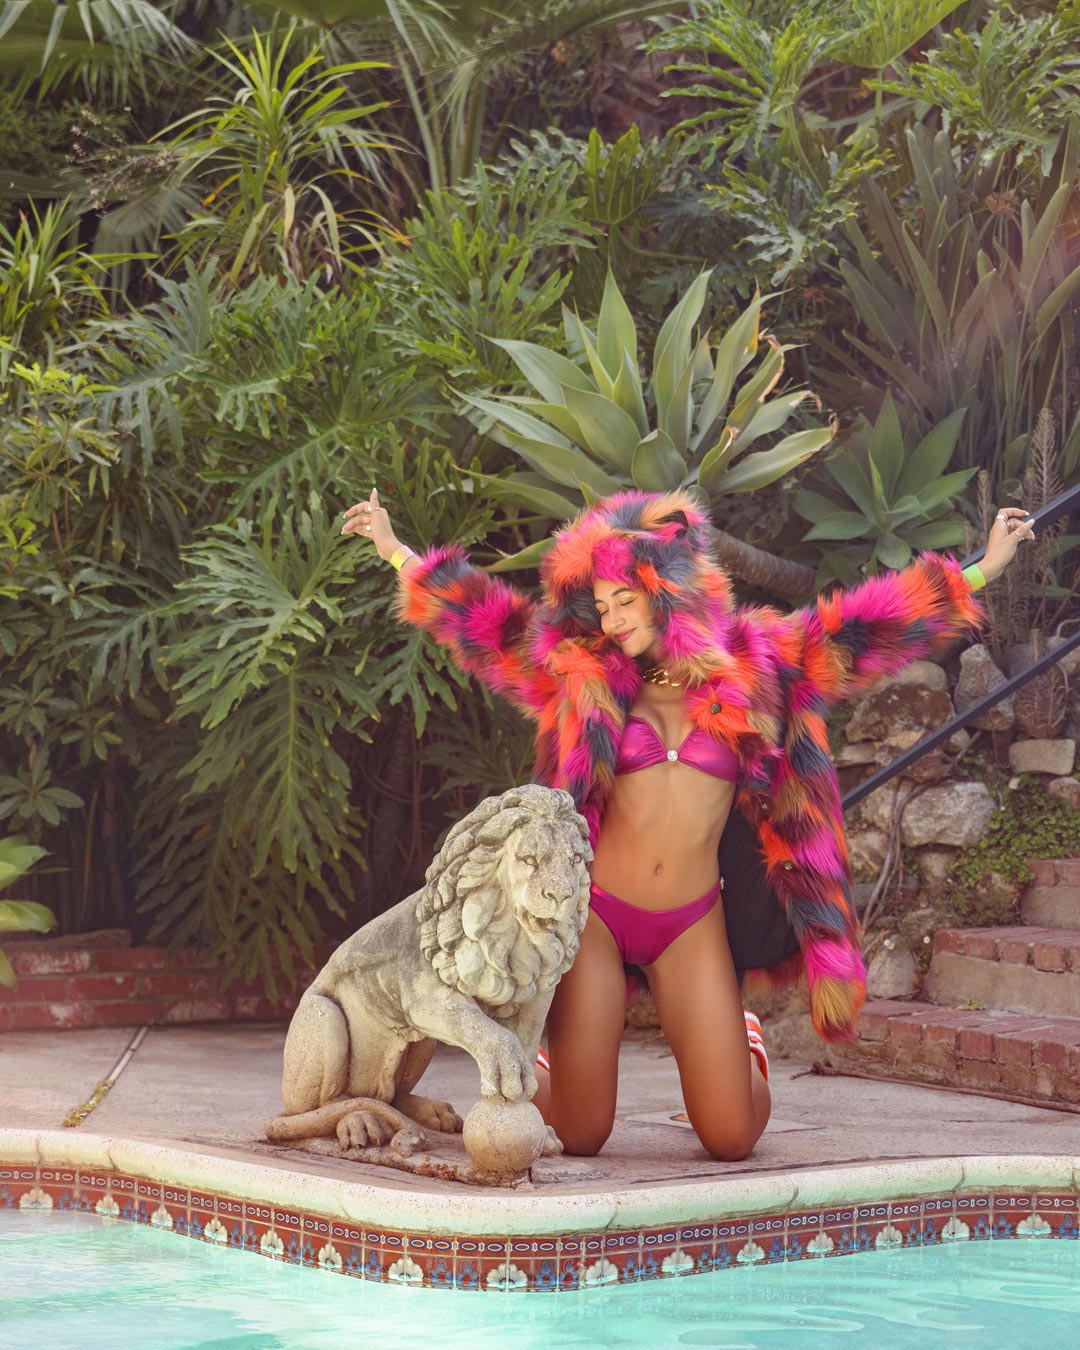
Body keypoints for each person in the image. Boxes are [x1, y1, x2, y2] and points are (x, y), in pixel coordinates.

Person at [343, 487, 1033, 1160]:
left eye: (625, 599)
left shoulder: (763, 663)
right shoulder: (580, 673)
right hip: (597, 918)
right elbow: (486, 624)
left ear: (667, 588)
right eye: (602, 605)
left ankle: (744, 1040)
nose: (612, 620)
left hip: (692, 920)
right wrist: (398, 552)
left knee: (732, 1138)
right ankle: (546, 1053)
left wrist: (982, 568)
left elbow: (863, 629)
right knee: (582, 1135)